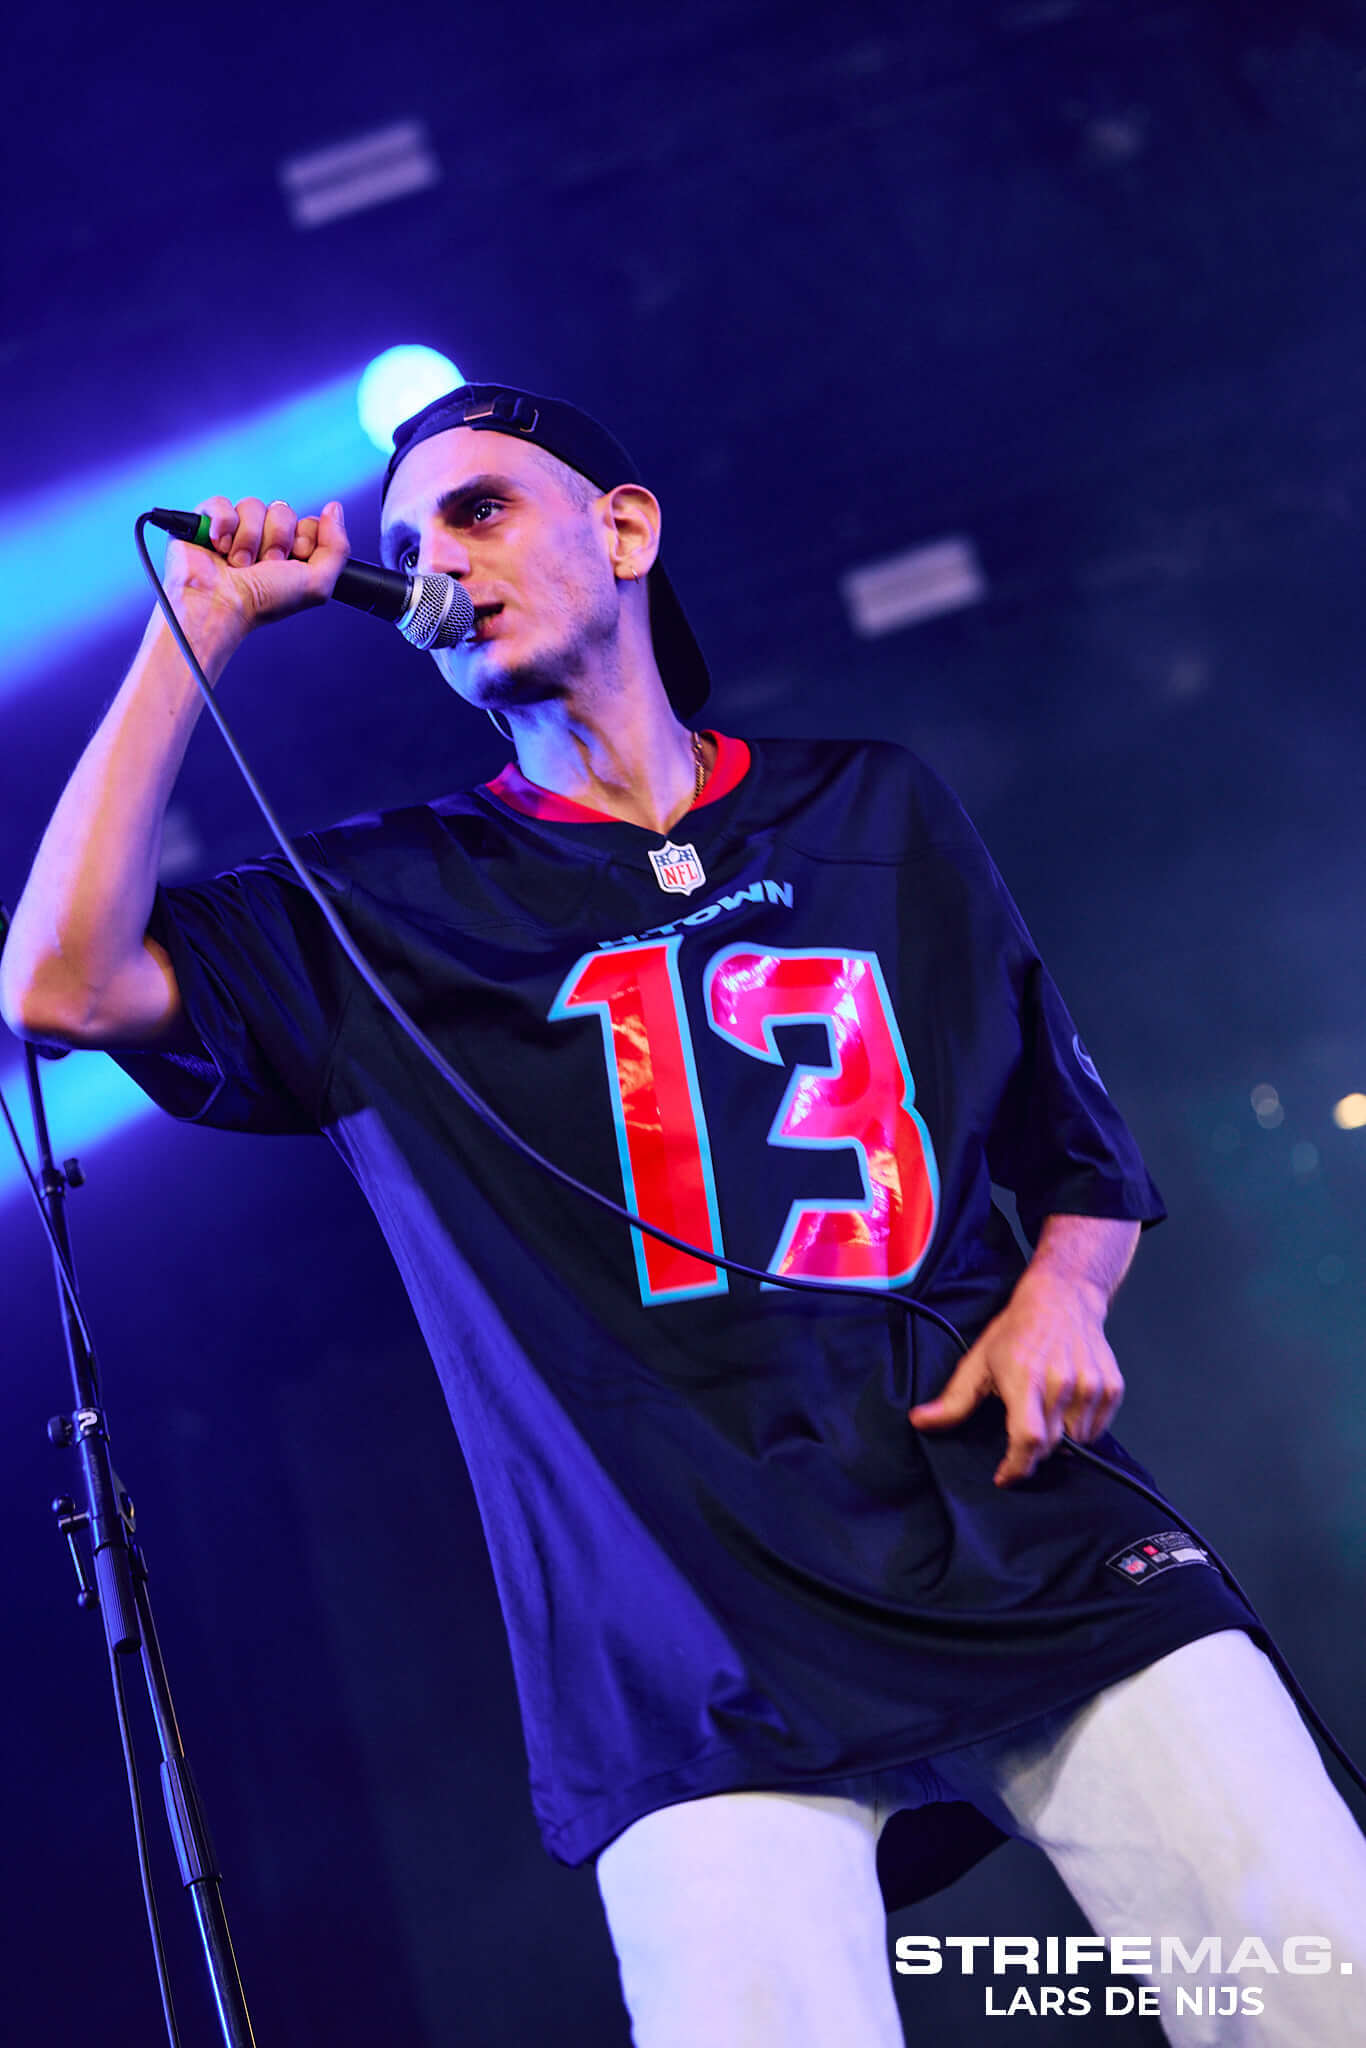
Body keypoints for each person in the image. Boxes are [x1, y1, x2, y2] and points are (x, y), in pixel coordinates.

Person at [4, 382, 1364, 2047]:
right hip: (677, 1615)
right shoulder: (377, 897)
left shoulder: (872, 810)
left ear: (626, 529)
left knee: (1315, 1977)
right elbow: (57, 985)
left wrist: (1062, 1299)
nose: (436, 559)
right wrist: (199, 627)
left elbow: (1070, 1146)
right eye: (407, 541)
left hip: (1017, 1527)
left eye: (480, 510)